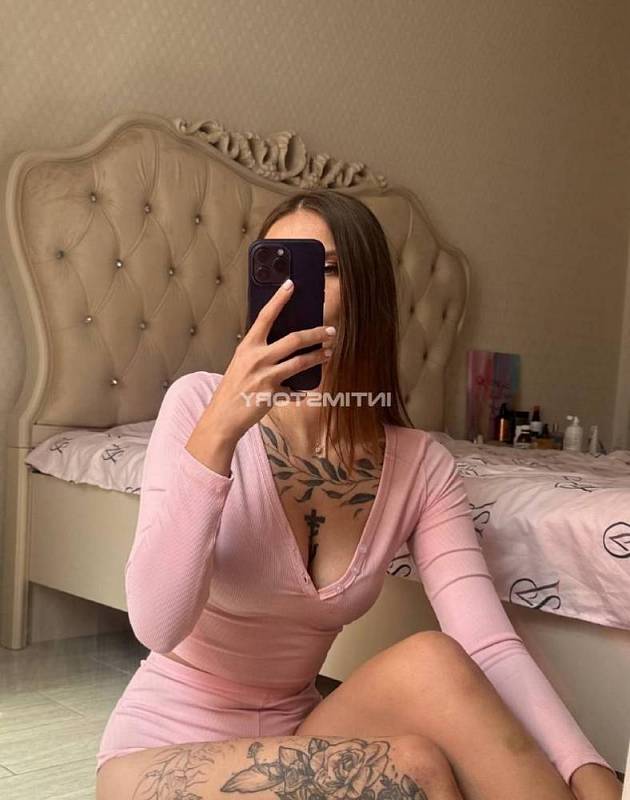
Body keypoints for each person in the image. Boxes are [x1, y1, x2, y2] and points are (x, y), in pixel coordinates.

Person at [95, 191, 621, 800]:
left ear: (369, 296)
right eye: (276, 266)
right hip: (164, 754)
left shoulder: (421, 466)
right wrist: (219, 432)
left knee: (434, 662)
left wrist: (588, 771)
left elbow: (488, 645)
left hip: (301, 736)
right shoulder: (197, 405)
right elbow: (157, 625)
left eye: (323, 268)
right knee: (416, 765)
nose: (293, 288)